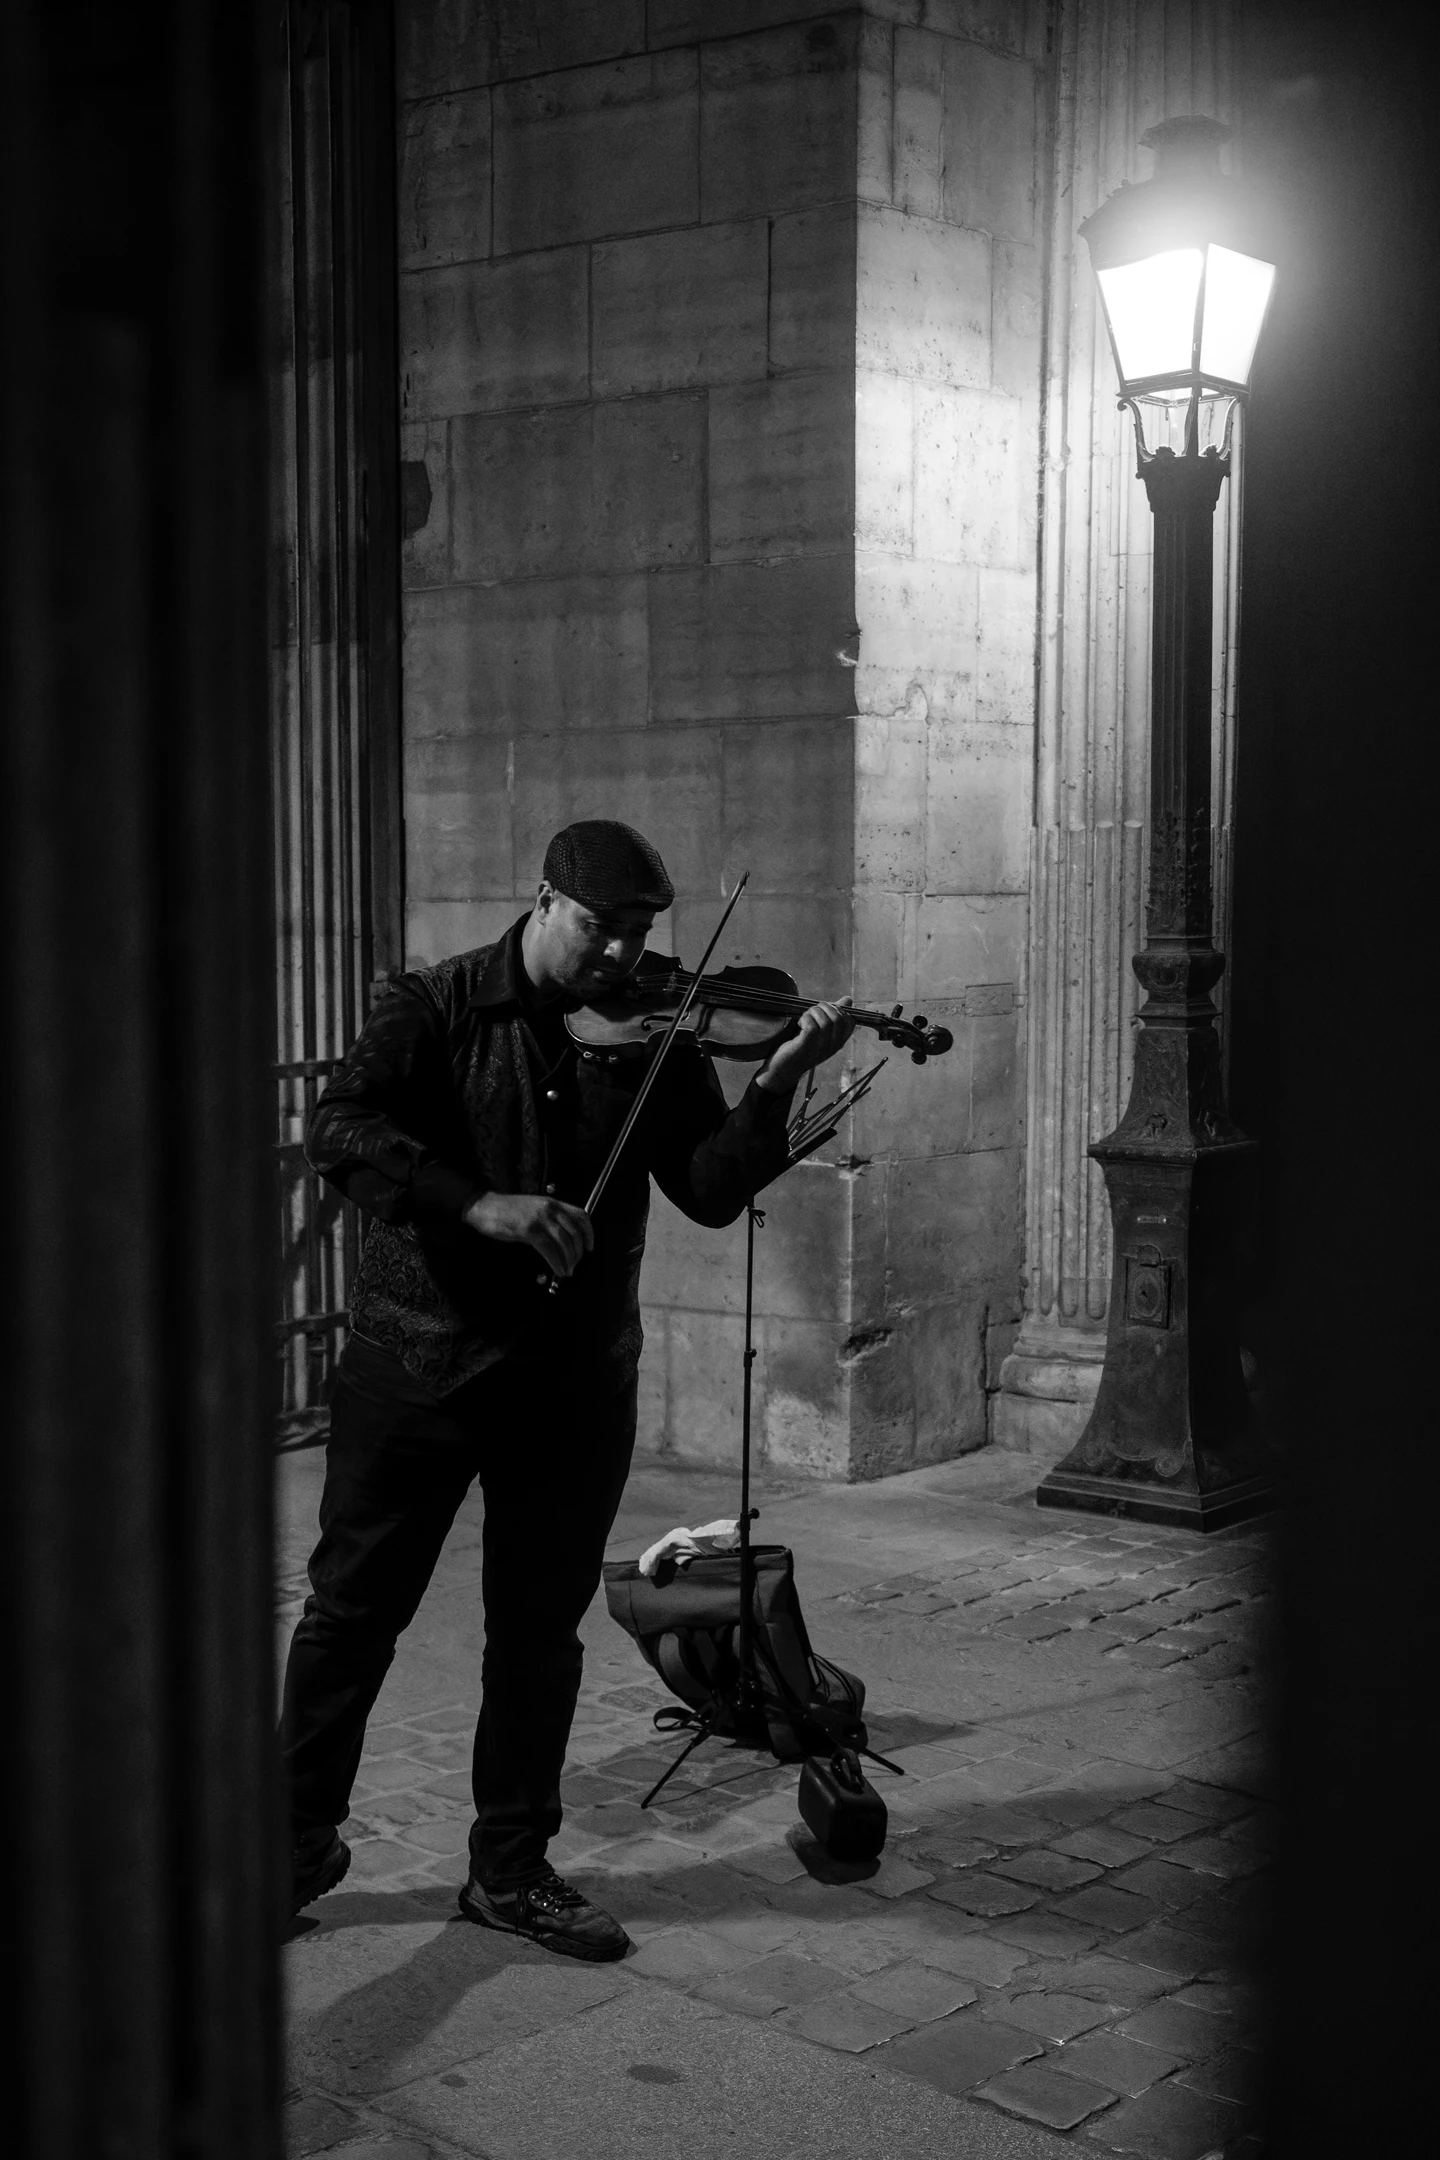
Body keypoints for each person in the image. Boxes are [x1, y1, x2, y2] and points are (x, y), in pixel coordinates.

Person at [282, 819, 854, 1960]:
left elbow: (701, 1189)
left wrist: (778, 1082)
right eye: (602, 928)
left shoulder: (654, 1033)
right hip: (417, 1369)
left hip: (571, 1386)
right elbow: (340, 1128)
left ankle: (510, 1872)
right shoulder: (433, 1003)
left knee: (538, 1636)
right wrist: (472, 1202)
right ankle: (292, 1844)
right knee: (352, 1616)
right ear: (545, 900)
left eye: (641, 934)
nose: (621, 955)